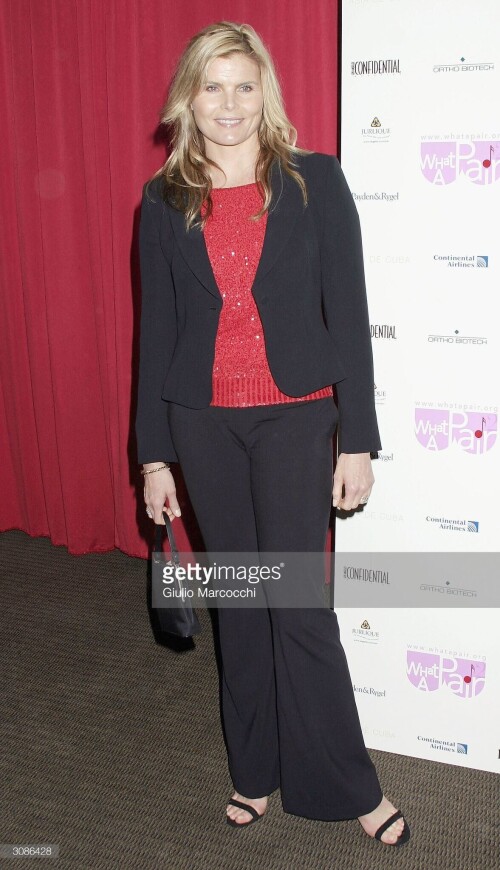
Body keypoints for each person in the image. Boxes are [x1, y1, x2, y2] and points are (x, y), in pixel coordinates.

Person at [135, 21, 410, 847]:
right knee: (242, 604)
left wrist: (356, 438)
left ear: (267, 94)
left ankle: (346, 784)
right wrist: (154, 454)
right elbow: (159, 335)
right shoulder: (163, 198)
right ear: (190, 95)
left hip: (296, 417)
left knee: (295, 605)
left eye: (244, 85)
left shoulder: (315, 182)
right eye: (212, 85)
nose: (228, 103)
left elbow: (348, 314)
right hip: (204, 424)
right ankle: (253, 770)